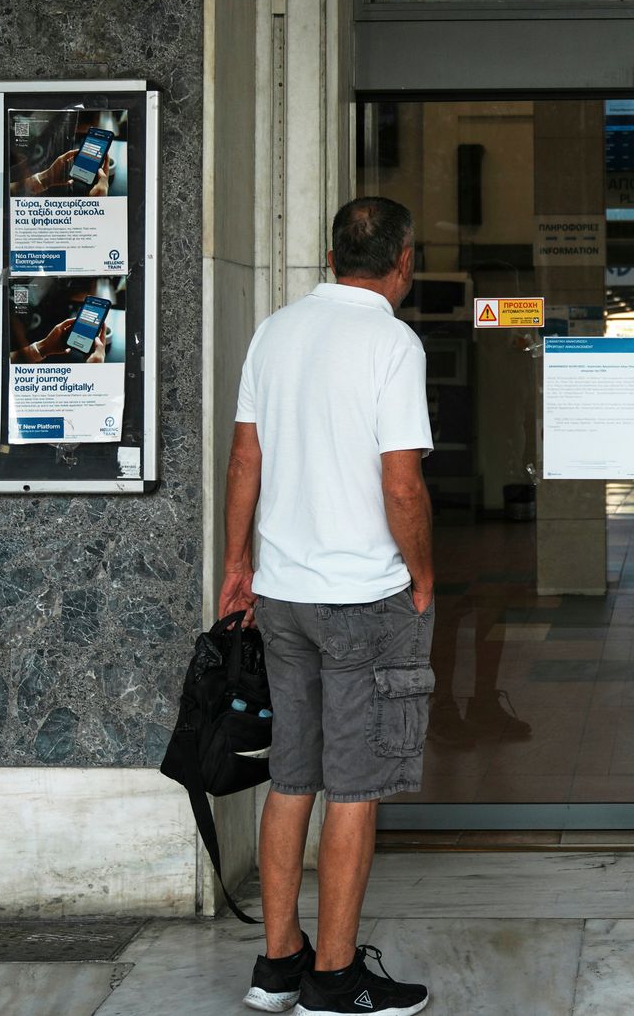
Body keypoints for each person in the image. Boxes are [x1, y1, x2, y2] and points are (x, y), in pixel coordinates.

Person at [219, 196, 436, 1016]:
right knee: (355, 785)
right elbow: (401, 481)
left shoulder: (276, 331)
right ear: (402, 258)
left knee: (292, 776)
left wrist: (239, 564)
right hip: (361, 597)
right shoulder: (391, 341)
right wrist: (421, 576)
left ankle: (278, 964)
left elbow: (246, 458)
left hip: (282, 594)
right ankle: (336, 978)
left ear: (334, 252)